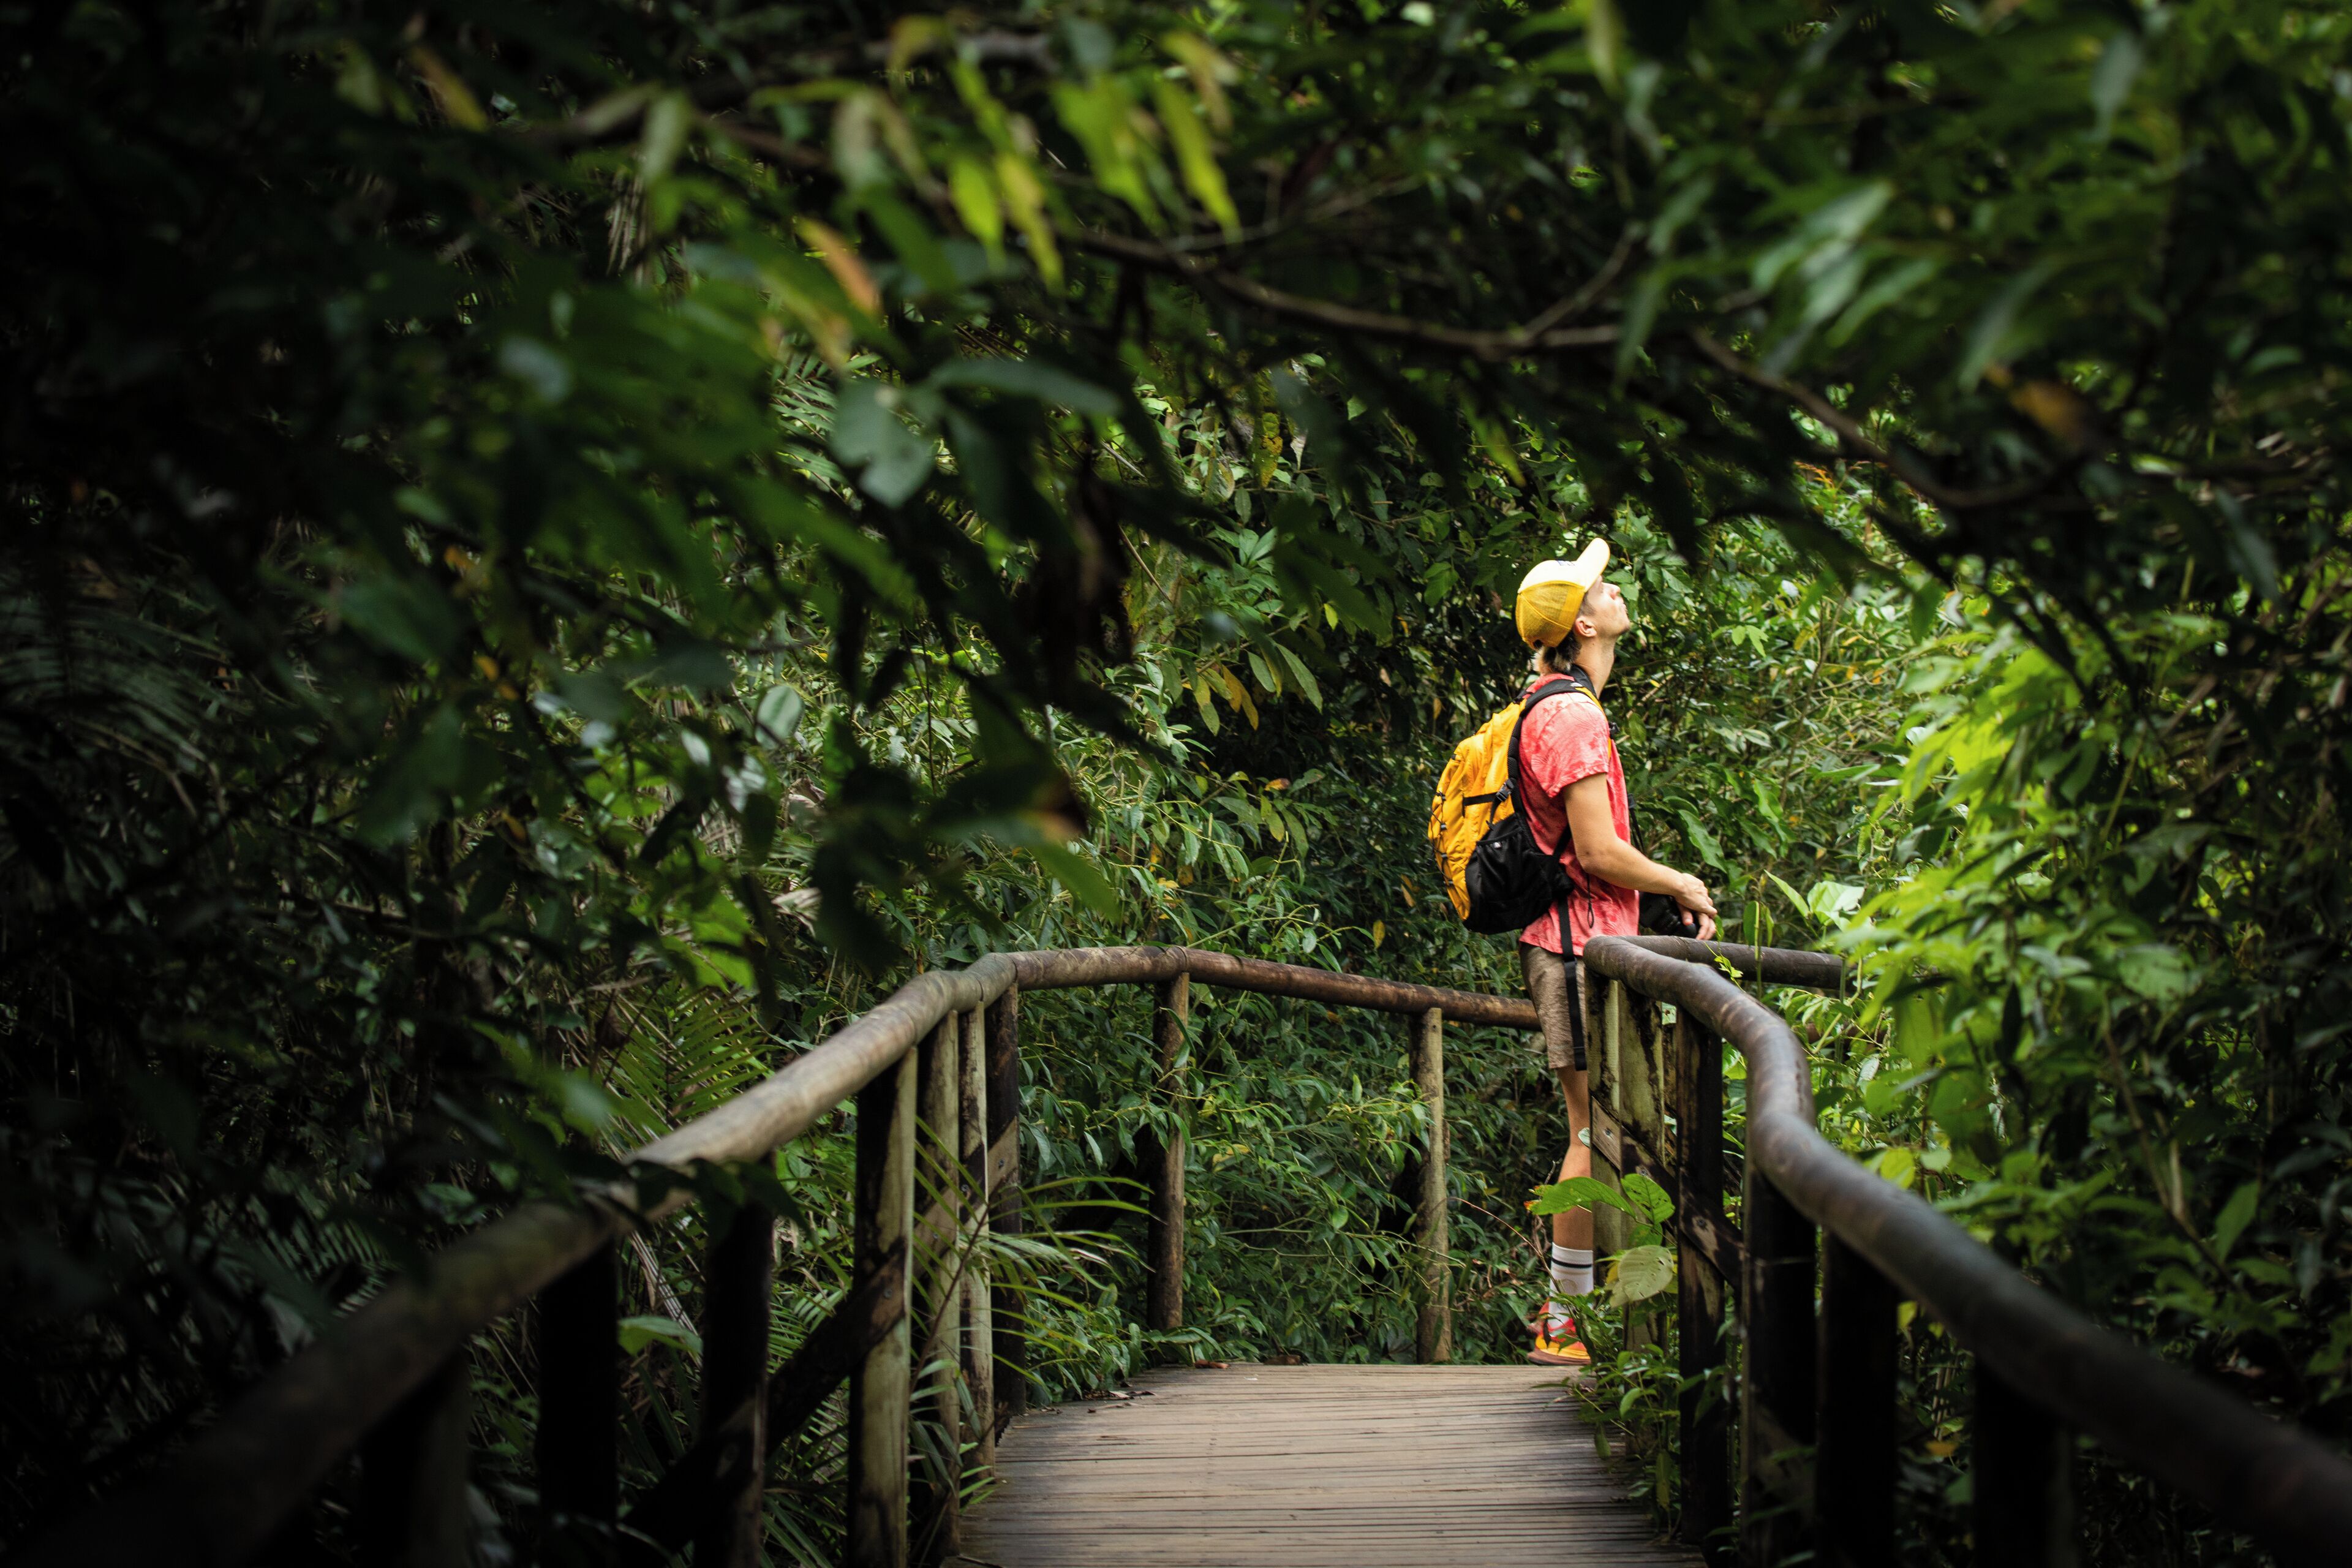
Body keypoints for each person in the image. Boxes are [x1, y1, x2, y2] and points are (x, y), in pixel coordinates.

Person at [1512, 543, 1719, 1366]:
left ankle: (1580, 1318)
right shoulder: (1572, 714)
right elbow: (1596, 852)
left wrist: (1660, 897)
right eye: (1600, 585)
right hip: (1573, 950)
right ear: (1584, 622)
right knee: (1590, 1129)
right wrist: (1684, 881)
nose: (1615, 587)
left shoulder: (1564, 704)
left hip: (1588, 942)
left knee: (1601, 1127)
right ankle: (1565, 1323)